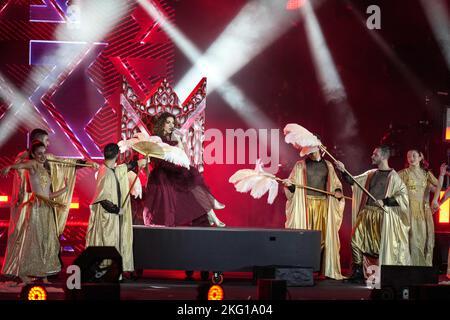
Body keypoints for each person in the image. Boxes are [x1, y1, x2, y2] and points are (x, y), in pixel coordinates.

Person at [1, 128, 97, 281]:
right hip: (32, 207)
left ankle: (46, 269)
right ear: (36, 142)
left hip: (46, 205)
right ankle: (25, 269)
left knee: (48, 237)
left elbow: (64, 163)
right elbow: (20, 177)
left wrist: (86, 163)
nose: (49, 143)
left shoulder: (46, 158)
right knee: (31, 238)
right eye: (46, 140)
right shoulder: (25, 159)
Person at [335, 145, 410, 283]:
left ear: (383, 156)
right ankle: (357, 273)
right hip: (366, 213)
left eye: (375, 154)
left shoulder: (394, 176)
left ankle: (382, 275)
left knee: (378, 247)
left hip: (382, 217)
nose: (372, 156)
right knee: (355, 242)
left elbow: (403, 197)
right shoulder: (370, 173)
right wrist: (343, 171)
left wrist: (385, 201)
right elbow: (353, 181)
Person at [1, 141, 70, 284]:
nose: (42, 156)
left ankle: (43, 275)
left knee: (46, 241)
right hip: (36, 208)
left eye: (44, 152)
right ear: (33, 154)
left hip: (46, 208)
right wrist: (10, 167)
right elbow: (20, 165)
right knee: (33, 241)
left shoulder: (44, 169)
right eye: (39, 153)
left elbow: (49, 195)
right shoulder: (32, 165)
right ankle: (23, 273)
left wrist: (65, 189)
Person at [142, 112, 225, 227]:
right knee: (170, 200)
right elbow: (152, 158)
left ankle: (210, 210)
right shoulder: (156, 138)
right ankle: (210, 209)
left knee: (192, 181)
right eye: (168, 122)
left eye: (173, 123)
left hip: (172, 170)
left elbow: (181, 154)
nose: (171, 125)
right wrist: (147, 174)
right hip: (162, 173)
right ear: (162, 124)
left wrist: (179, 140)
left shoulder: (173, 138)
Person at [283, 149, 345, 280]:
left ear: (319, 147)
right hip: (306, 206)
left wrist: (338, 191)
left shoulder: (328, 165)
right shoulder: (300, 165)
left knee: (323, 239)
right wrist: (290, 186)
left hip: (323, 207)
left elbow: (335, 184)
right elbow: (293, 186)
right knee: (305, 239)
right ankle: (304, 270)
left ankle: (324, 269)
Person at [86, 143, 146, 277]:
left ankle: (115, 272)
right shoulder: (104, 172)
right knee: (108, 244)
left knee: (115, 243)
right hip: (107, 217)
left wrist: (138, 162)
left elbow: (125, 168)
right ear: (117, 155)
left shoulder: (112, 169)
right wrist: (116, 210)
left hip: (113, 217)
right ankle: (106, 273)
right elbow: (102, 198)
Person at [398, 150, 446, 266]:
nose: (411, 158)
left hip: (423, 211)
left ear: (420, 157)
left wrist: (441, 176)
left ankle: (423, 268)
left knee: (424, 239)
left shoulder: (426, 174)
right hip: (408, 209)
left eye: (414, 155)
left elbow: (438, 186)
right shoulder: (403, 173)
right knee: (411, 239)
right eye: (409, 156)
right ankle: (409, 268)